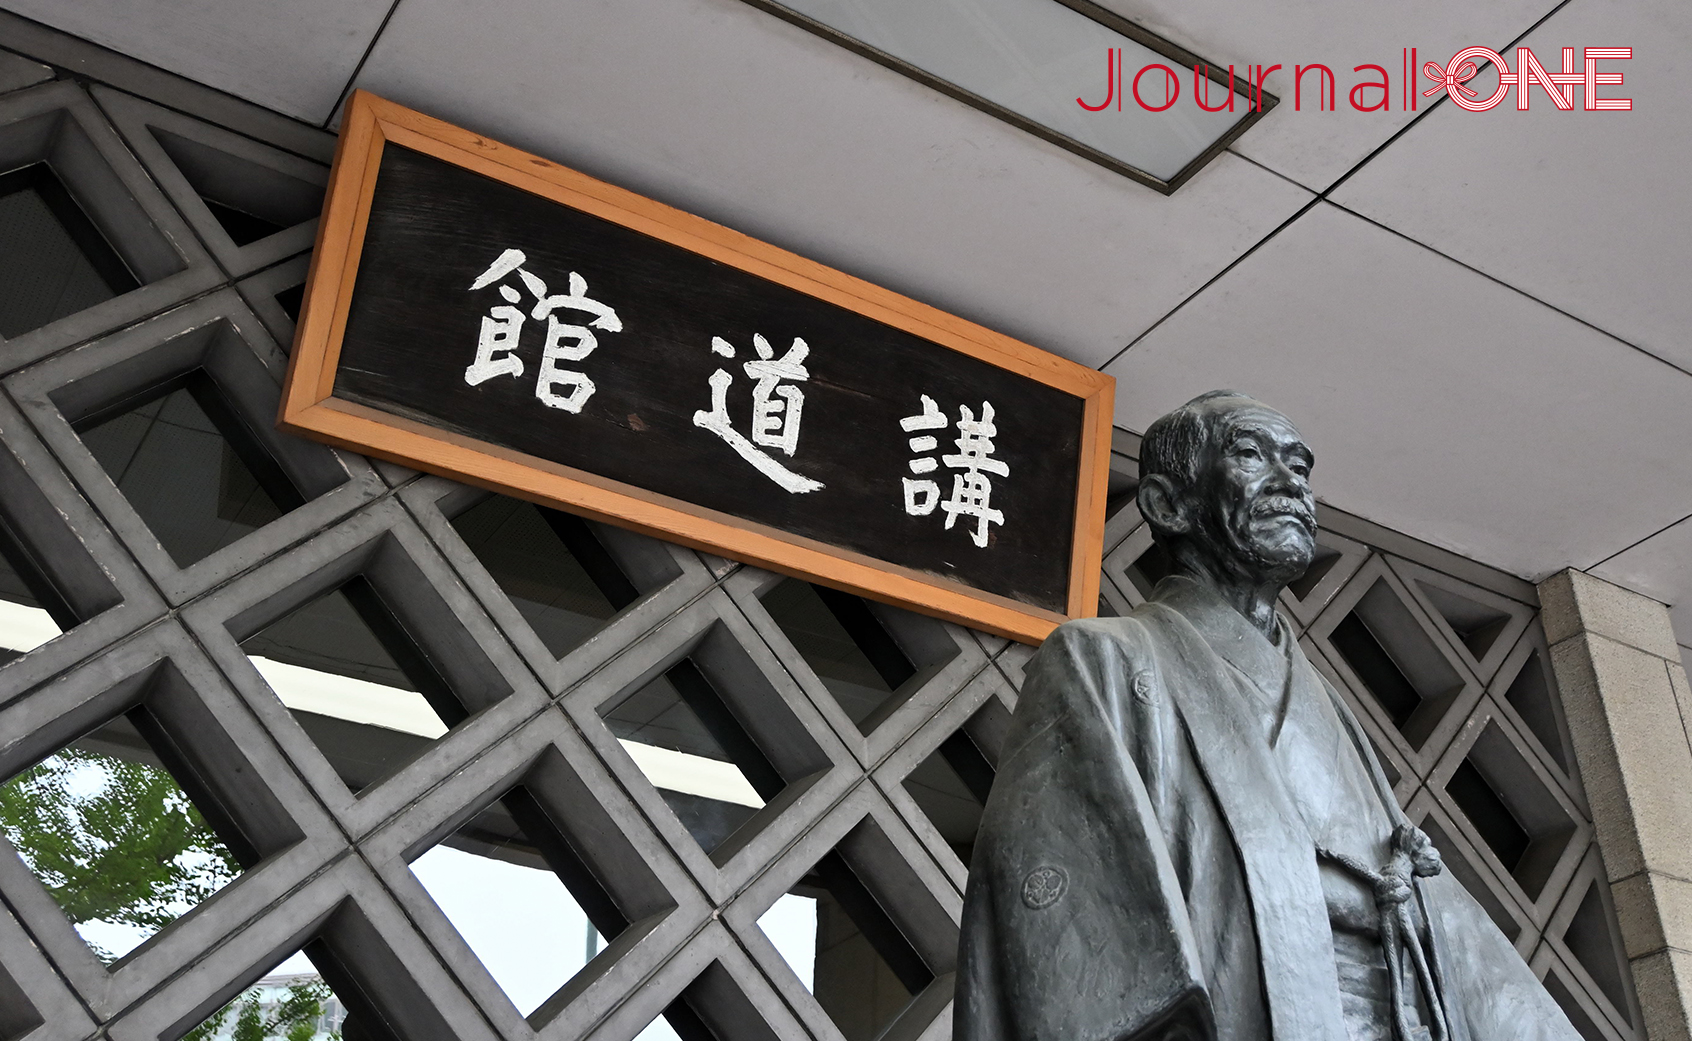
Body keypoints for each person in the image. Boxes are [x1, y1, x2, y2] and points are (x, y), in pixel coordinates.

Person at [955, 390, 1579, 1041]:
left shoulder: (1326, 701)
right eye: (1252, 455)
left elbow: (1420, 898)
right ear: (1168, 504)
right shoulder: (1102, 660)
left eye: (1301, 468)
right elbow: (1070, 913)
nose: (1292, 486)